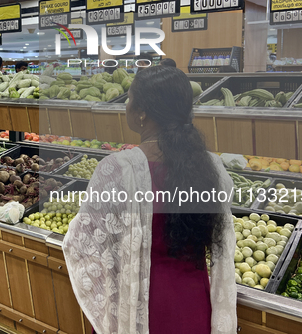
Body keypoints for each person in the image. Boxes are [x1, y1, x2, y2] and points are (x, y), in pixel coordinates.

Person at [63, 66, 236, 334]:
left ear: (142, 112)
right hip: (194, 304)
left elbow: (81, 244)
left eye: (130, 99)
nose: (126, 105)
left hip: (144, 307)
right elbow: (220, 241)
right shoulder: (212, 168)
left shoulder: (119, 170)